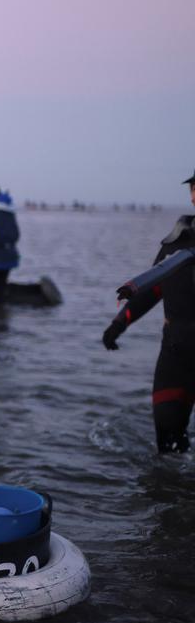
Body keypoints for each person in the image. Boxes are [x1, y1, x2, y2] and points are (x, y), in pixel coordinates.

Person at [101, 172, 195, 453]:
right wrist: (119, 324)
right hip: (177, 351)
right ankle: (170, 493)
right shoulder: (177, 241)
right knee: (168, 440)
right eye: (194, 188)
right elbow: (153, 289)